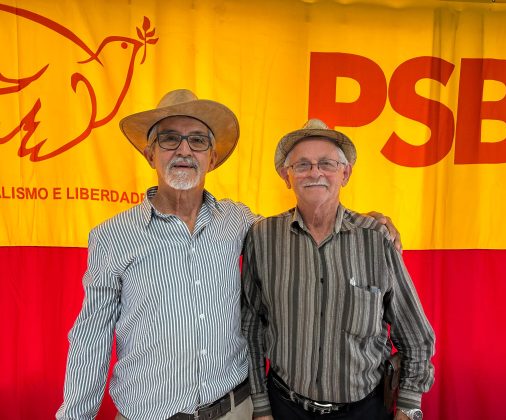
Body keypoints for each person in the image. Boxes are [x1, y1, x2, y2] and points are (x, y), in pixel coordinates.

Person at [57, 91, 401, 420]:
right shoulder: (112, 236)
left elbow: (301, 232)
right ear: (150, 154)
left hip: (236, 410)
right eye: (169, 139)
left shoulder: (237, 220)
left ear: (212, 157)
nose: (184, 150)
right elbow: (91, 337)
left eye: (197, 140)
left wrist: (362, 222)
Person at [241, 119, 435, 420]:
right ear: (286, 176)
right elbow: (252, 327)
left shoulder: (376, 239)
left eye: (326, 163)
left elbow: (416, 336)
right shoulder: (262, 238)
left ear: (345, 174)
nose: (314, 172)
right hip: (285, 408)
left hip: (364, 410)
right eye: (302, 165)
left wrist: (408, 409)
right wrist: (262, 407)